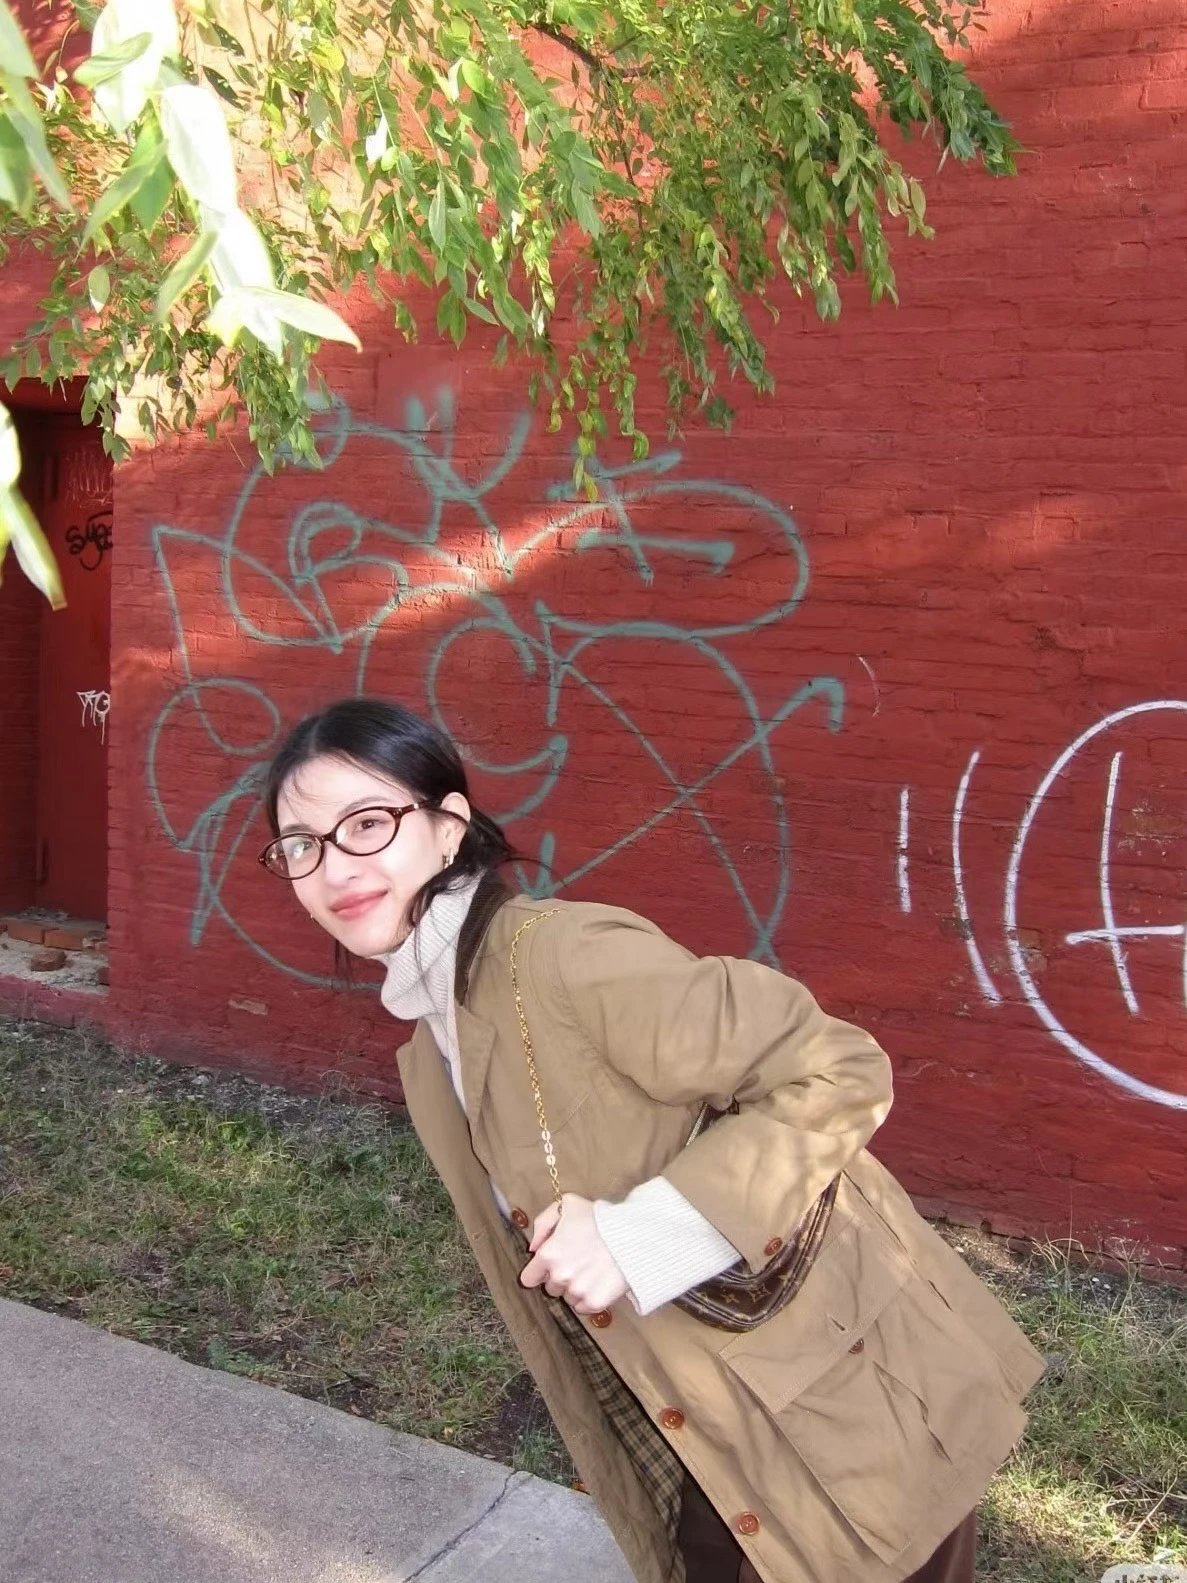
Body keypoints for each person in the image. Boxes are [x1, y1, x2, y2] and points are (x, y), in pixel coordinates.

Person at [259, 696, 1044, 1583]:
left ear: (448, 828)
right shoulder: (432, 1050)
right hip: (711, 1426)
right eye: (301, 843)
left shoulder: (563, 956)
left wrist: (643, 1234)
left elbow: (836, 1068)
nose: (335, 865)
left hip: (851, 1414)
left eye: (367, 823)